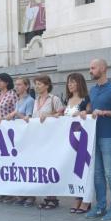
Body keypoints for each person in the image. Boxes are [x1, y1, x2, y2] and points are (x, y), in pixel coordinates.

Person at [82, 59, 111, 221]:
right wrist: (85, 112)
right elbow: (89, 108)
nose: (90, 70)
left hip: (109, 136)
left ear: (103, 69)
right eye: (90, 67)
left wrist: (104, 112)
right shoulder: (92, 91)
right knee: (97, 173)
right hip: (94, 136)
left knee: (110, 172)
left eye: (93, 68)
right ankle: (100, 207)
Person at [33, 74, 65, 210]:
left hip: (51, 138)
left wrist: (49, 116)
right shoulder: (36, 100)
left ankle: (53, 197)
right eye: (36, 83)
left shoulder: (54, 99)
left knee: (51, 167)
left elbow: (62, 115)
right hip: (38, 139)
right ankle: (47, 196)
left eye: (39, 84)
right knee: (42, 168)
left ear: (47, 85)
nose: (37, 86)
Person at [0, 73, 19, 203]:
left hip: (9, 129)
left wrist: (6, 118)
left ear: (6, 82)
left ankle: (12, 192)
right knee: (0, 161)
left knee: (10, 161)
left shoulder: (12, 94)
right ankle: (4, 190)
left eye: (0, 81)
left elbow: (16, 110)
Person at [64, 72, 92, 214]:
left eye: (73, 82)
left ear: (79, 83)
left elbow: (89, 114)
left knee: (82, 168)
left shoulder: (85, 99)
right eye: (69, 82)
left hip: (81, 139)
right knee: (73, 170)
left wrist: (84, 113)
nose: (70, 85)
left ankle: (85, 200)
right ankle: (77, 197)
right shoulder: (67, 99)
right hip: (68, 140)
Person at [9, 77, 36, 207]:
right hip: (19, 137)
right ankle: (22, 193)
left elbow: (28, 118)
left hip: (27, 136)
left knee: (28, 164)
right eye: (16, 85)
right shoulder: (18, 101)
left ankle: (31, 195)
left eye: (19, 85)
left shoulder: (30, 100)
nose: (17, 87)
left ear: (26, 86)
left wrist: (16, 113)